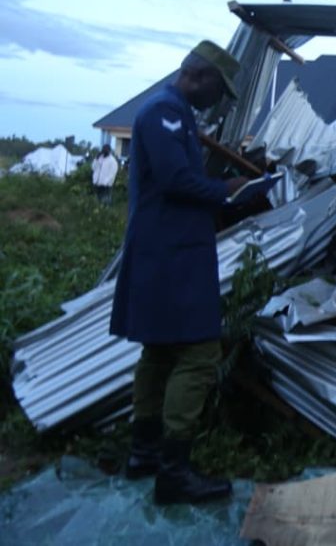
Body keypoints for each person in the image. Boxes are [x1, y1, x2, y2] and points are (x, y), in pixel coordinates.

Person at [110, 40, 250, 505]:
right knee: (199, 353)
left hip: (165, 251)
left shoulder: (175, 113)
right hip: (171, 255)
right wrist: (226, 190)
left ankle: (144, 453)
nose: (219, 99)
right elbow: (174, 180)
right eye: (220, 90)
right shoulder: (164, 112)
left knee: (158, 352)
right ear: (200, 76)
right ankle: (174, 471)